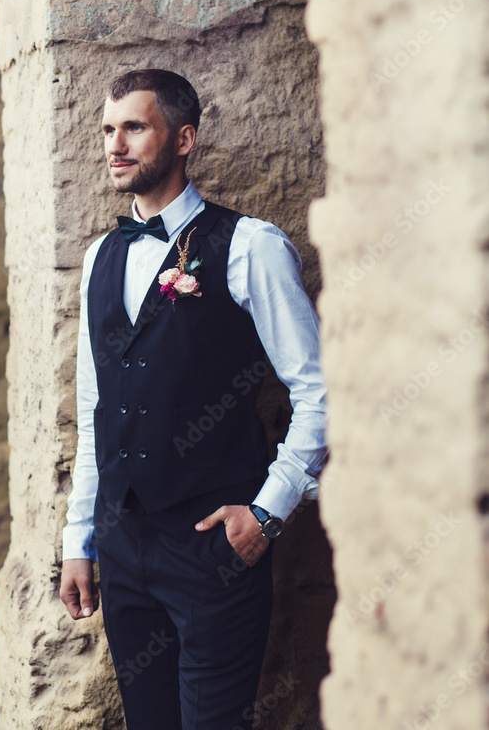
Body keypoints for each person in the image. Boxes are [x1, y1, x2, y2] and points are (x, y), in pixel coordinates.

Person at [60, 68, 328, 730]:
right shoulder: (101, 257)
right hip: (124, 547)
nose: (113, 145)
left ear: (183, 139)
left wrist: (266, 515)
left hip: (212, 544)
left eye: (133, 127)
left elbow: (319, 389)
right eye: (106, 129)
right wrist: (80, 539)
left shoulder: (249, 247)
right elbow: (99, 406)